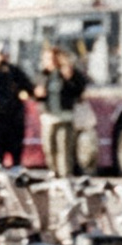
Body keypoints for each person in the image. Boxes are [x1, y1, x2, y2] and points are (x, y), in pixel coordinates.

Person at [40, 40, 88, 178]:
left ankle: (66, 175)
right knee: (49, 148)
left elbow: (80, 87)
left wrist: (71, 77)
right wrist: (38, 93)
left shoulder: (67, 72)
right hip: (49, 117)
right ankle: (53, 172)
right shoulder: (44, 75)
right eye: (49, 59)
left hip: (66, 116)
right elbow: (36, 93)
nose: (52, 61)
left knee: (64, 148)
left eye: (54, 58)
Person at [0, 44, 33, 172]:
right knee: (0, 151)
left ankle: (12, 168)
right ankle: (2, 168)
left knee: (13, 149)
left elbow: (28, 88)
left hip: (12, 117)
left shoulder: (13, 72)